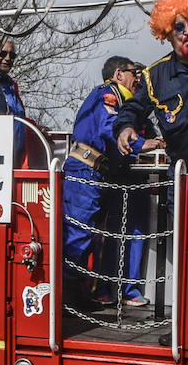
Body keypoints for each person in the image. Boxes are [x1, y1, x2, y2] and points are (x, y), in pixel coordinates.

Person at [63, 56, 163, 306]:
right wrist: (142, 144)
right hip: (84, 171)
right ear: (119, 75)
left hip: (99, 173)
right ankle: (67, 296)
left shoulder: (127, 103)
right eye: (135, 72)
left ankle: (81, 293)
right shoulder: (109, 95)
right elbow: (110, 127)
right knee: (79, 233)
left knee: (92, 234)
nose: (138, 78)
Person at [115, 0, 188, 173]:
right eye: (179, 27)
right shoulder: (154, 76)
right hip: (180, 177)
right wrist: (125, 127)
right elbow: (132, 109)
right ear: (167, 33)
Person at [0, 35, 29, 164]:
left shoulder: (11, 85)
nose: (7, 59)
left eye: (12, 55)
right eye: (2, 54)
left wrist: (35, 128)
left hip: (15, 157)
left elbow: (17, 117)